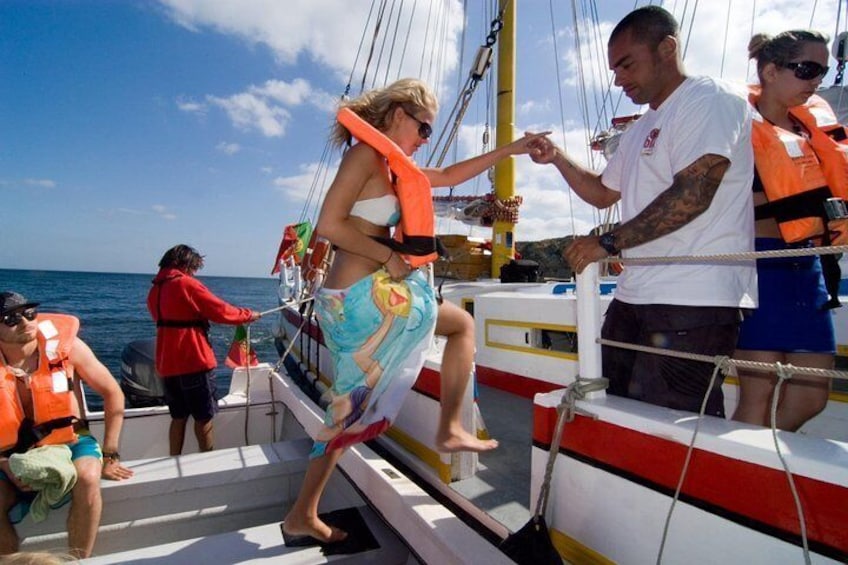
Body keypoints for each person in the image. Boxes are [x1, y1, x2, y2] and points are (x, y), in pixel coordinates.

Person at [281, 78, 547, 545]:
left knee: (455, 329)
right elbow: (328, 223)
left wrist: (512, 149)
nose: (425, 141)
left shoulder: (392, 165)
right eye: (424, 130)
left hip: (374, 292)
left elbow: (448, 176)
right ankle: (303, 513)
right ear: (397, 114)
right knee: (348, 410)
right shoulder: (365, 155)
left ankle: (446, 430)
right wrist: (388, 257)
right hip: (360, 297)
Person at [527, 6, 757, 417]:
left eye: (627, 64)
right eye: (614, 70)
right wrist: (558, 157)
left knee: (677, 425)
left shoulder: (710, 100)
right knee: (612, 409)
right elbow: (601, 193)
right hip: (635, 295)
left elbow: (694, 192)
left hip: (694, 297)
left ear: (667, 48)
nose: (618, 80)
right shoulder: (637, 131)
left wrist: (608, 243)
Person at [732, 30, 848, 431]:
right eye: (807, 69)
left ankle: (761, 459)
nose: (817, 80)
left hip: (810, 268)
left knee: (811, 394)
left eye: (823, 70)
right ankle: (745, 477)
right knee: (757, 394)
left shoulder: (812, 129)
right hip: (763, 268)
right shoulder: (736, 130)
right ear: (769, 70)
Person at [0, 291, 134, 558]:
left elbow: (112, 393)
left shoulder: (68, 347)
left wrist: (110, 454)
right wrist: (4, 463)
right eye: (11, 318)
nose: (26, 322)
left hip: (72, 439)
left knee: (87, 477)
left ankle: (77, 560)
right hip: (9, 451)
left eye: (29, 313)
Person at [146, 245, 260, 456]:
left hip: (167, 364)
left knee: (178, 417)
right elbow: (220, 311)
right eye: (193, 268)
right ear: (185, 264)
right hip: (193, 361)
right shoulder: (186, 284)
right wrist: (247, 314)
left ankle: (174, 458)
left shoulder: (155, 289)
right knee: (203, 417)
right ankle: (206, 459)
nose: (194, 273)